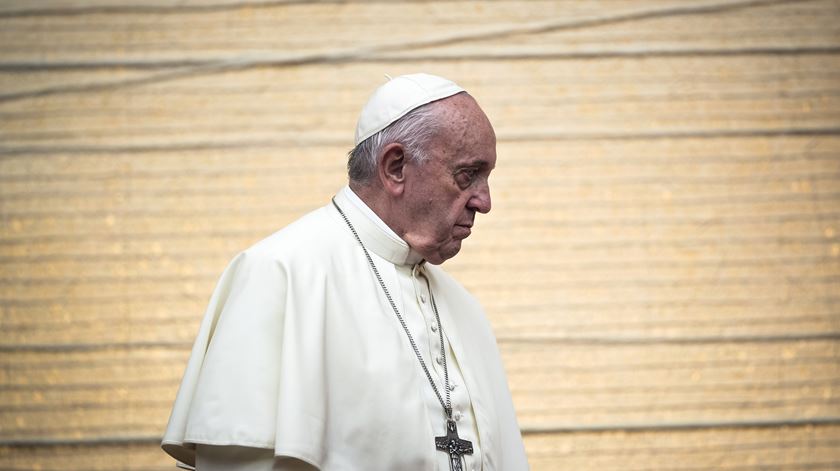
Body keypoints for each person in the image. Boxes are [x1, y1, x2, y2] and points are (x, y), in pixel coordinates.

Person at [161, 73, 529, 471]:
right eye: (466, 175)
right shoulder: (279, 274)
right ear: (395, 167)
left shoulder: (464, 308)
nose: (485, 202)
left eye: (487, 177)